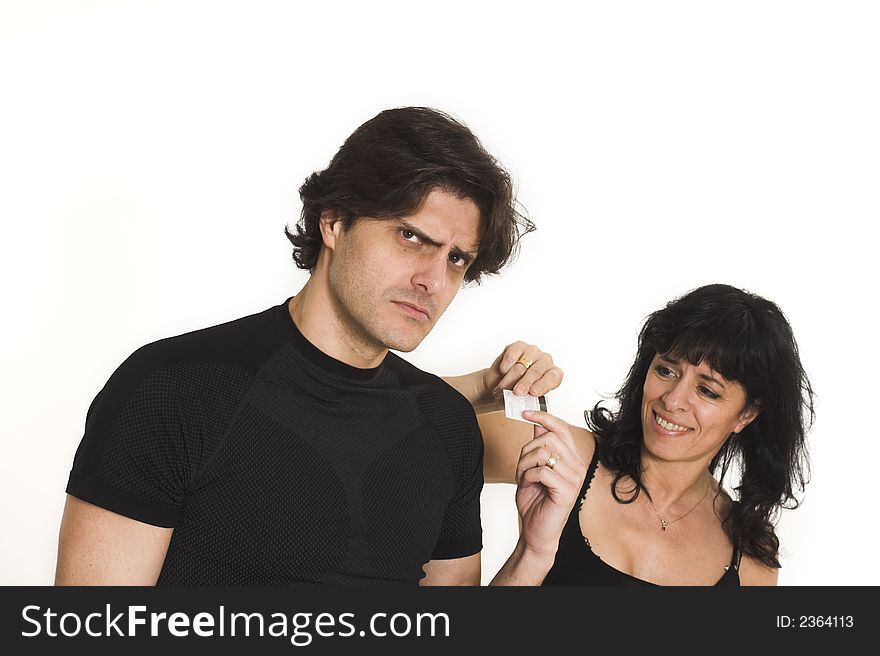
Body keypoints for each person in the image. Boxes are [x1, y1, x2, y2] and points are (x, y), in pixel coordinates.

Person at [54, 106, 541, 585]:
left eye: (457, 259)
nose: (433, 280)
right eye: (411, 237)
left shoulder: (445, 425)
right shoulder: (173, 389)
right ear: (333, 222)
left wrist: (531, 554)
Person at [486, 284, 813, 585]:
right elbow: (436, 426)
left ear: (746, 413)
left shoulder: (752, 555)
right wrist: (486, 384)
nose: (672, 400)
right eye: (666, 370)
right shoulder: (558, 452)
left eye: (707, 390)